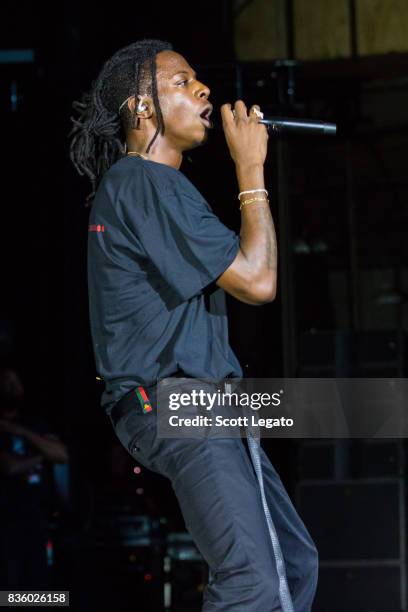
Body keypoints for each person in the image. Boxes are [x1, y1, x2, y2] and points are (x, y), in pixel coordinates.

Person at [69, 39, 318, 611]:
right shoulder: (142, 182)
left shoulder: (158, 189)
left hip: (211, 403)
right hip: (178, 401)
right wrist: (250, 168)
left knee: (294, 565)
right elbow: (258, 281)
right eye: (182, 82)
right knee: (251, 582)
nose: (202, 89)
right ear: (141, 107)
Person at [0, 367, 68, 589]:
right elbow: (10, 466)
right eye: (6, 382)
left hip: (37, 521)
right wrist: (42, 455)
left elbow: (61, 454)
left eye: (15, 382)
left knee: (39, 589)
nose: (12, 387)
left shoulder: (32, 424)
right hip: (6, 524)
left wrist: (20, 432)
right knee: (9, 589)